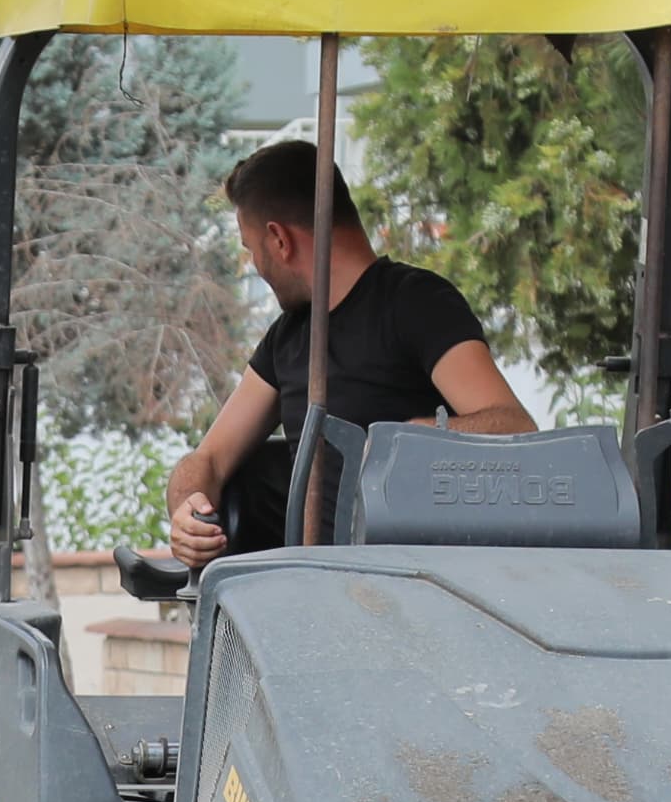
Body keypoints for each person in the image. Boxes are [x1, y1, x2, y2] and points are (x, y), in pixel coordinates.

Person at [161, 142, 533, 565]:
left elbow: (514, 427)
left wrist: (409, 439)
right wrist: (187, 508)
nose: (254, 267)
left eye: (251, 249)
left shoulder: (416, 304)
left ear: (279, 239)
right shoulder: (288, 337)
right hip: (312, 587)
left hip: (417, 583)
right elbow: (208, 458)